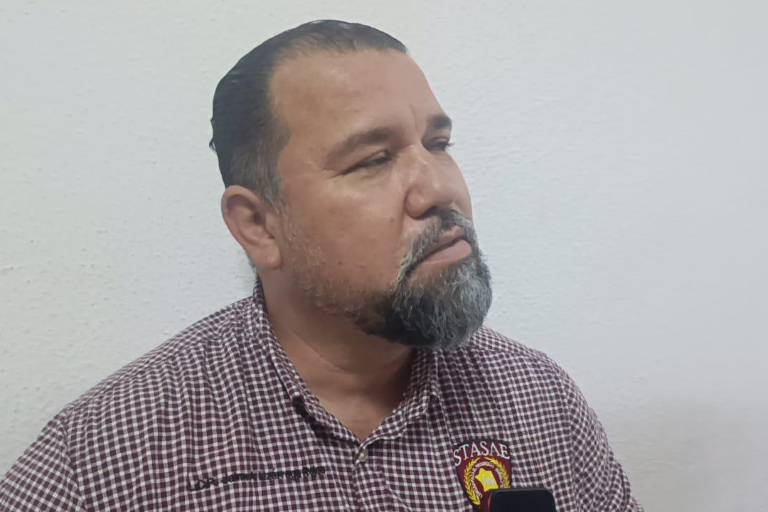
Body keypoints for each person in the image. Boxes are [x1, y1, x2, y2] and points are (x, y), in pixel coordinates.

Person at [0, 20, 642, 511]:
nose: (440, 189)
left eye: (439, 144)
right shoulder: (104, 461)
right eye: (373, 160)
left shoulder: (540, 405)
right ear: (259, 226)